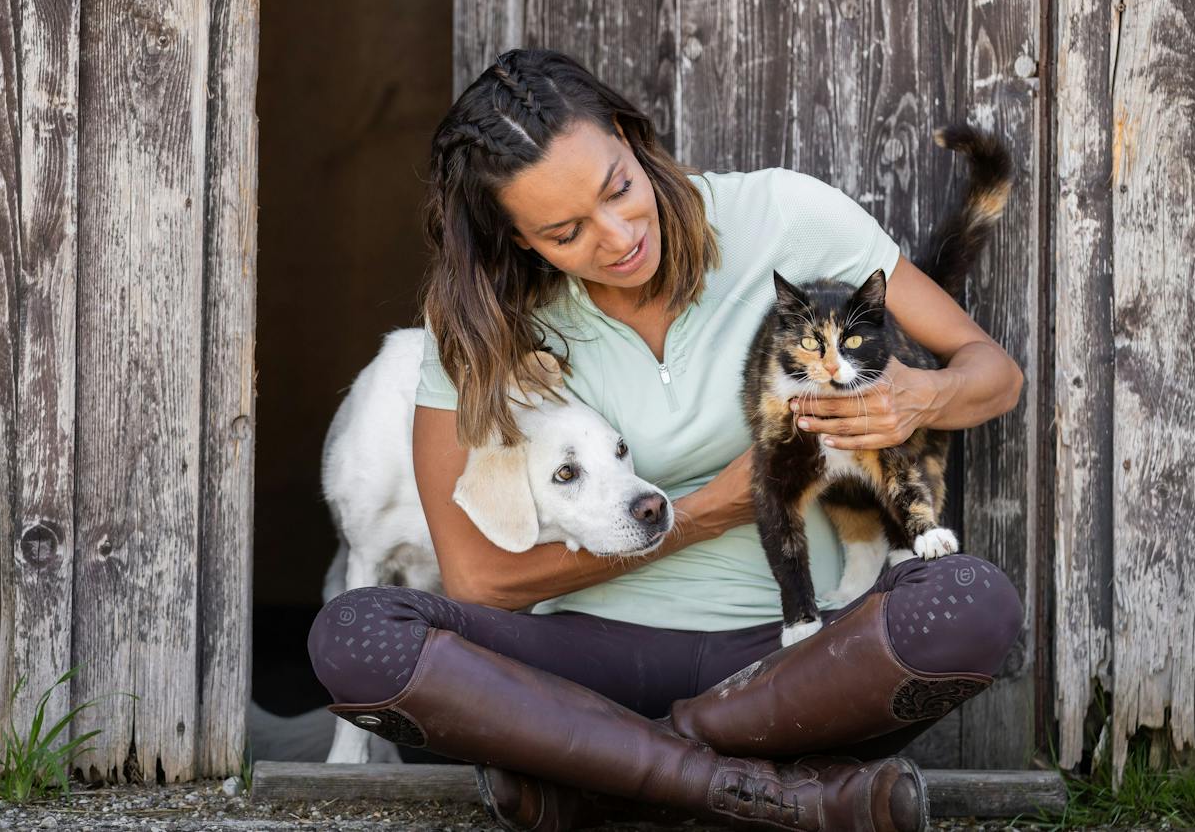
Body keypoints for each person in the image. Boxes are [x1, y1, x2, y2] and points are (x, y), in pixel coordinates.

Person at [307, 48, 1025, 831]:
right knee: (356, 632)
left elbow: (993, 374)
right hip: (576, 666)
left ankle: (611, 771)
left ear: (629, 136)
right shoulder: (484, 325)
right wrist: (711, 509)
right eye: (565, 231)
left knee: (972, 604)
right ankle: (762, 791)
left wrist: (919, 397)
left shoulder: (785, 216)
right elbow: (476, 582)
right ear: (516, 241)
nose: (616, 237)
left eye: (618, 189)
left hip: (796, 655)